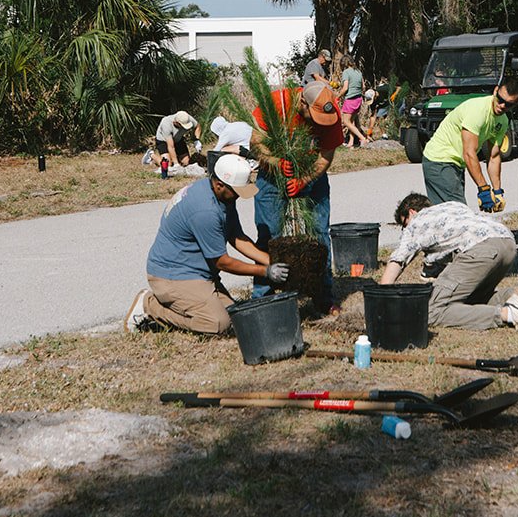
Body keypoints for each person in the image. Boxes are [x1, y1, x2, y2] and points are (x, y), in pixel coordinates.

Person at [126, 155, 288, 334]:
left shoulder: (221, 195)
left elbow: (236, 236)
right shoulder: (205, 211)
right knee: (217, 324)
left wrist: (271, 261)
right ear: (219, 185)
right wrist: (265, 271)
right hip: (173, 276)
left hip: (197, 274)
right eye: (237, 191)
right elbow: (222, 262)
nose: (239, 196)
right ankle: (149, 306)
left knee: (236, 318)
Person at [381, 192, 518, 329]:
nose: (405, 229)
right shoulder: (452, 206)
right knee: (468, 300)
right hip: (507, 243)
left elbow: (398, 259)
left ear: (411, 212)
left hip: (480, 249)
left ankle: (509, 314)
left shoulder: (416, 223)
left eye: (404, 223)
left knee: (430, 311)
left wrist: (381, 297)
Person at [249, 79, 343, 299]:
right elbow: (255, 143)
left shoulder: (331, 113)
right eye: (315, 118)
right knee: (269, 234)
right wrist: (276, 162)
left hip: (312, 175)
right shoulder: (276, 103)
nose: (320, 124)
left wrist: (304, 180)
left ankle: (323, 295)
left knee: (319, 234)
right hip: (272, 177)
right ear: (302, 102)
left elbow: (325, 156)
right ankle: (264, 297)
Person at [420, 77, 518, 211]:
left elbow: (494, 157)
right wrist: (484, 188)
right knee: (458, 213)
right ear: (495, 91)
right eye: (500, 99)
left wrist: (497, 191)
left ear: (515, 103)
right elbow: (469, 153)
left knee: (445, 213)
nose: (502, 106)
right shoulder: (478, 111)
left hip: (456, 164)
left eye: (508, 104)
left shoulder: (502, 121)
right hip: (439, 160)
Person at [339, 60, 370, 147]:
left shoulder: (346, 72)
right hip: (358, 99)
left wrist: (338, 96)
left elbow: (345, 88)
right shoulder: (358, 71)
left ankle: (362, 138)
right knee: (351, 122)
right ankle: (351, 142)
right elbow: (363, 86)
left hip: (350, 99)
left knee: (346, 122)